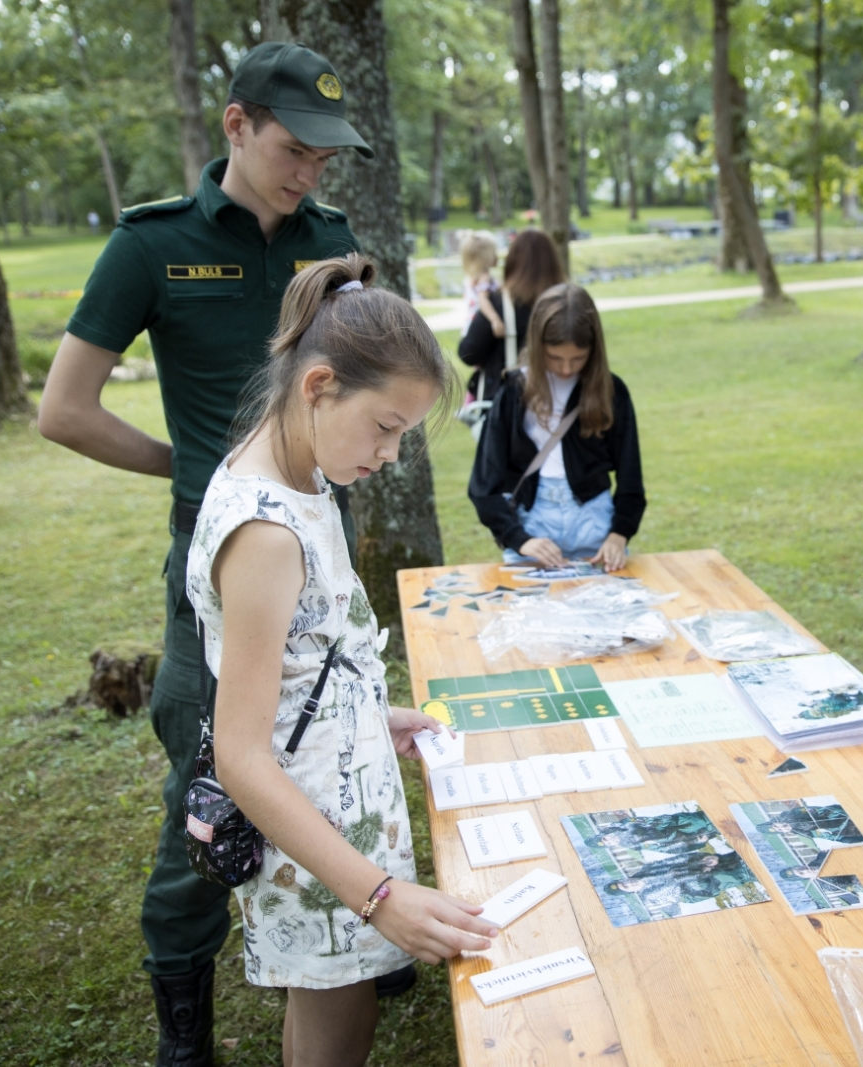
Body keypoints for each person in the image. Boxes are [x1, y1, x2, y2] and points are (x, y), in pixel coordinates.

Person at [36, 41, 407, 1065]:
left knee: (331, 734)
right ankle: (184, 1013)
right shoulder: (153, 246)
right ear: (236, 124)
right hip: (220, 570)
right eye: (295, 148)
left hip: (315, 538)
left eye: (328, 157)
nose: (311, 174)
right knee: (210, 780)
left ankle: (361, 930)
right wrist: (198, 470)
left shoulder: (331, 241)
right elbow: (63, 409)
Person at [187, 253, 495, 1066]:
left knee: (330, 1015)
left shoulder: (303, 479)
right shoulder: (265, 530)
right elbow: (243, 755)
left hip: (337, 825)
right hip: (312, 846)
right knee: (335, 1035)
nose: (392, 454)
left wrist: (366, 714)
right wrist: (380, 895)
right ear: (320, 385)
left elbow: (302, 656)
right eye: (387, 426)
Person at [467, 283, 644, 571]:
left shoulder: (611, 392)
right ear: (537, 346)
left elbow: (631, 478)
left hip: (595, 524)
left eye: (578, 358)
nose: (565, 369)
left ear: (593, 349)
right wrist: (519, 538)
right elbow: (483, 484)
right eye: (554, 357)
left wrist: (619, 534)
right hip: (533, 524)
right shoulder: (514, 391)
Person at [456, 228, 566, 398]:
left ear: (512, 262)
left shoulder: (499, 303)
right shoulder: (567, 301)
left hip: (510, 404)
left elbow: (468, 352)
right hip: (560, 396)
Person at [458, 230, 505, 337]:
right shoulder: (485, 278)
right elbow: (482, 300)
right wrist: (495, 320)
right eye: (494, 252)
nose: (497, 256)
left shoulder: (472, 278)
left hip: (470, 327)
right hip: (479, 327)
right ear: (486, 257)